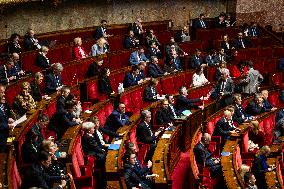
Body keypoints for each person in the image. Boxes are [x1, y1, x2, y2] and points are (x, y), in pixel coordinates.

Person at [0, 84, 15, 152]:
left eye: (4, 92)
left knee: (10, 150)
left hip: (7, 134)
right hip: (1, 139)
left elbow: (5, 116)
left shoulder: (3, 104)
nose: (4, 94)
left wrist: (8, 118)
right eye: (1, 92)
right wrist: (7, 125)